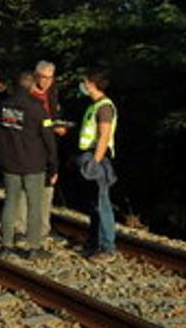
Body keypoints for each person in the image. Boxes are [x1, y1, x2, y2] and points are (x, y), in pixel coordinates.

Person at [0, 71, 57, 259]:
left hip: (9, 162)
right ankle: (33, 248)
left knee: (10, 203)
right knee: (34, 205)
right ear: (31, 86)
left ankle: (5, 245)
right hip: (34, 164)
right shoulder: (37, 108)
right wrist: (53, 164)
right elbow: (49, 139)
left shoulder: (2, 106)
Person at [15, 60, 63, 239]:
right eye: (43, 77)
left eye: (50, 78)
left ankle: (42, 229)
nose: (46, 82)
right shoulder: (26, 92)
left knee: (47, 188)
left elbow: (52, 116)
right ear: (36, 76)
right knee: (23, 188)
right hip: (27, 146)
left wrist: (57, 127)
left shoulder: (52, 92)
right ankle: (19, 228)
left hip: (47, 146)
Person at [77, 69, 119, 261]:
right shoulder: (95, 105)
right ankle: (95, 242)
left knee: (103, 203)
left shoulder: (104, 107)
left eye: (85, 81)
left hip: (98, 159)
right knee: (94, 203)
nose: (83, 84)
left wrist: (95, 161)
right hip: (90, 156)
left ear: (92, 84)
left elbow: (104, 135)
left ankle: (107, 247)